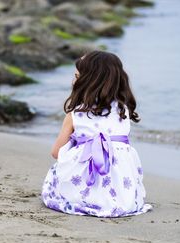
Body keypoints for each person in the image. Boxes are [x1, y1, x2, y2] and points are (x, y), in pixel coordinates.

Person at [41, 51, 153, 217]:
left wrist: (78, 147)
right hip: (122, 194)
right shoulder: (123, 111)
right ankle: (117, 198)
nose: (73, 80)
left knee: (58, 174)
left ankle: (80, 196)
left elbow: (56, 153)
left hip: (81, 186)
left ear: (88, 81)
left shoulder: (75, 114)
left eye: (76, 76)